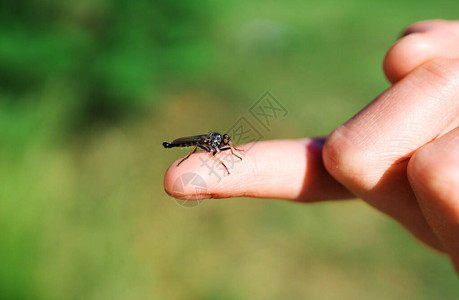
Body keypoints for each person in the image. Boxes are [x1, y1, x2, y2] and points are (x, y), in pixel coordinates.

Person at [164, 20, 459, 274]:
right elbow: (205, 146)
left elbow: (223, 147)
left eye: (226, 144)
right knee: (196, 148)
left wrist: (232, 153)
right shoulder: (210, 143)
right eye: (225, 144)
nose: (226, 144)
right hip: (192, 144)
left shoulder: (222, 143)